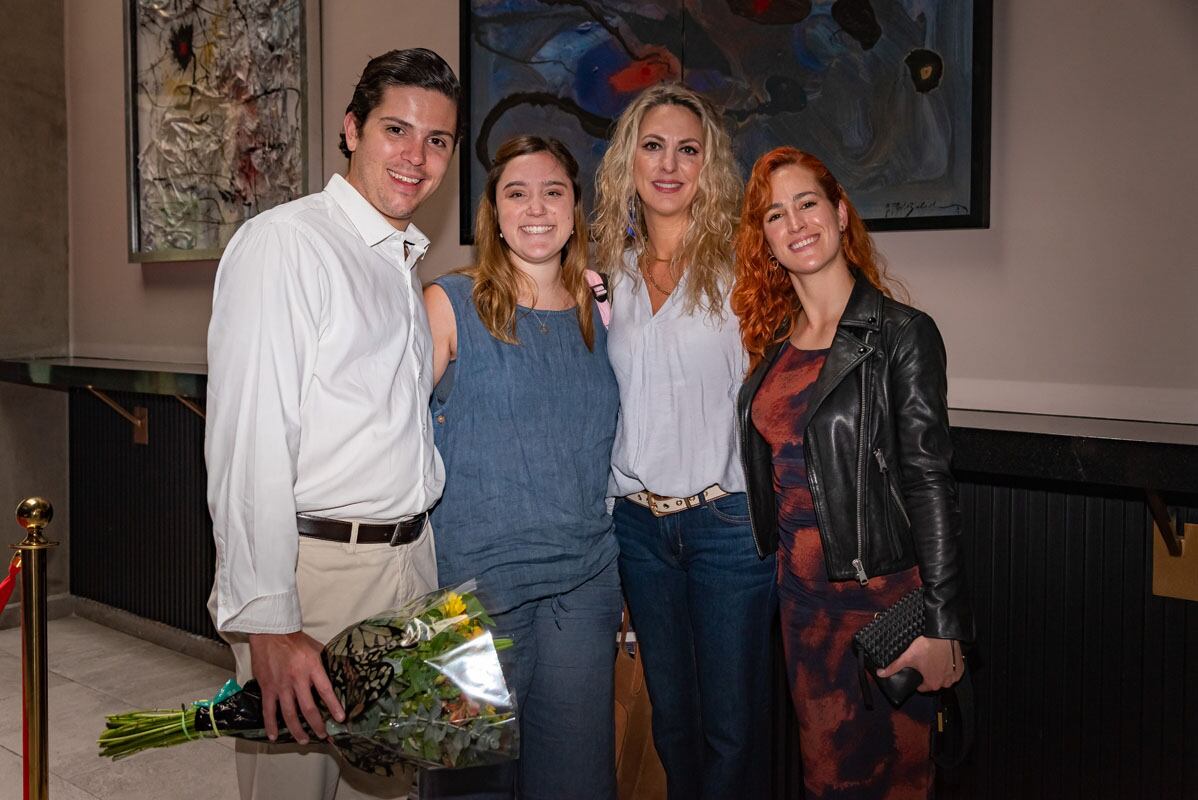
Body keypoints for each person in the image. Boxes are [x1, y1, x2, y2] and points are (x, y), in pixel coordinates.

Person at [205, 48, 461, 800]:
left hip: (406, 568)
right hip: (313, 583)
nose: (416, 157)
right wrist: (268, 621)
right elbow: (249, 440)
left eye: (437, 140)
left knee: (386, 790)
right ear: (352, 129)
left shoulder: (396, 261)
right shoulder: (287, 244)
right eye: (395, 130)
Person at [731, 146, 974, 799]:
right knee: (825, 781)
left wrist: (945, 622)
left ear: (839, 213)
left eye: (807, 202)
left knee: (894, 782)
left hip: (885, 607)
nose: (795, 222)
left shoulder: (901, 334)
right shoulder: (774, 344)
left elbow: (929, 481)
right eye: (775, 215)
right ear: (767, 241)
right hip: (803, 609)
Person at [420, 135, 622, 800]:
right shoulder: (449, 304)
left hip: (584, 587)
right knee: (468, 784)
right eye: (517, 192)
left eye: (554, 191)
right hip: (473, 597)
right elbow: (383, 432)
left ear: (574, 208)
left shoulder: (604, 310)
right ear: (494, 212)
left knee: (576, 783)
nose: (537, 207)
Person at [591, 83, 775, 800]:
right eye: (654, 146)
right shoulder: (605, 277)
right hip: (637, 528)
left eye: (688, 150)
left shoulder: (745, 270)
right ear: (628, 161)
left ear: (710, 165)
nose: (670, 164)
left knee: (731, 731)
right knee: (672, 722)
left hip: (727, 526)